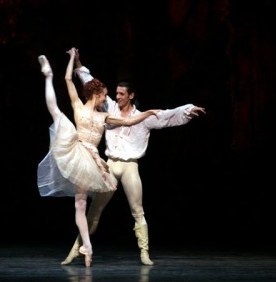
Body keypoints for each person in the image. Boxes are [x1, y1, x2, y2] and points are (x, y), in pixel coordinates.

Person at [60, 49, 206, 266]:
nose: (116, 97)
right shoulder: (108, 107)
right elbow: (90, 82)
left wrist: (187, 109)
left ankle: (144, 252)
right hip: (108, 165)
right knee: (94, 210)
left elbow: (164, 115)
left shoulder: (142, 118)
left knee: (137, 210)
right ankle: (75, 249)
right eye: (116, 93)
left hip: (130, 167)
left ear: (131, 96)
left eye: (121, 94)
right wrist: (78, 61)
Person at [37, 47, 161, 267]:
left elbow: (129, 122)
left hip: (91, 159)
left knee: (82, 206)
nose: (108, 98)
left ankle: (86, 247)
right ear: (97, 94)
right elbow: (68, 78)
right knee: (55, 111)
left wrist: (149, 112)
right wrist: (72, 59)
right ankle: (47, 76)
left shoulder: (105, 115)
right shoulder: (79, 106)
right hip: (78, 151)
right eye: (105, 94)